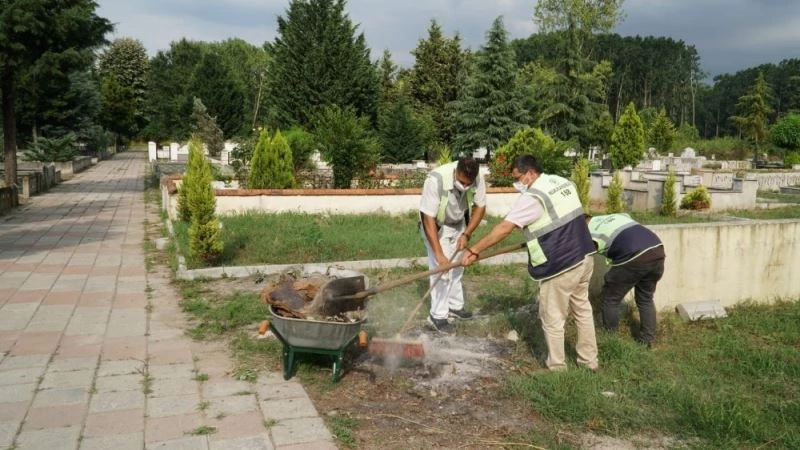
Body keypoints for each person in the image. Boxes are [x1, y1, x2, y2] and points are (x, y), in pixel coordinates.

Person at [462, 155, 598, 371]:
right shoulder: (562, 182)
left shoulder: (533, 196)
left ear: (531, 173)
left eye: (518, 177)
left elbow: (505, 228)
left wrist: (475, 250)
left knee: (553, 317)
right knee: (582, 309)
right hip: (585, 255)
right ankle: (589, 362)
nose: (517, 183)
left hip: (562, 264)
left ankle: (557, 367)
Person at [419, 156, 486, 333]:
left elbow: (480, 207)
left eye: (468, 184)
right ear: (456, 171)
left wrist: (466, 233)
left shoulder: (477, 178)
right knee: (442, 271)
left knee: (457, 268)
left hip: (459, 223)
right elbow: (428, 218)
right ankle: (438, 316)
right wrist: (440, 255)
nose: (464, 187)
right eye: (462, 182)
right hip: (436, 226)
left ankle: (455, 306)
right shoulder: (435, 180)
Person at [586, 213, 665, 348]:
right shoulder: (614, 216)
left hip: (633, 255)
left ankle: (611, 340)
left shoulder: (588, 232)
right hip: (657, 250)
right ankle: (647, 340)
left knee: (610, 298)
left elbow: (584, 255)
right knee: (645, 298)